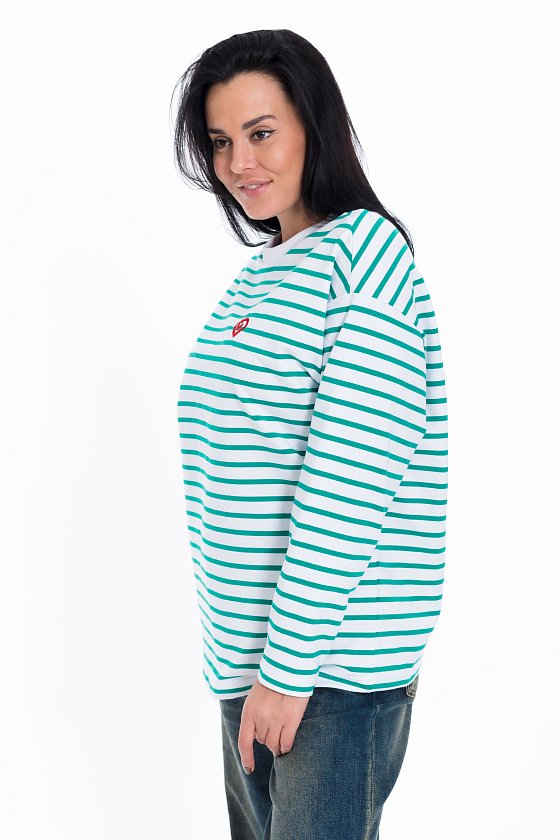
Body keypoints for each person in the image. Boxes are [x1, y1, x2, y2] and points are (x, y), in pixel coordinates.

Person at [172, 28, 448, 840]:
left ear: (312, 125)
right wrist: (251, 673)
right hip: (250, 670)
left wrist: (288, 672)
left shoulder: (364, 255)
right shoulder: (260, 274)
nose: (239, 163)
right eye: (221, 141)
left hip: (327, 674)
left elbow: (352, 476)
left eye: (261, 132)